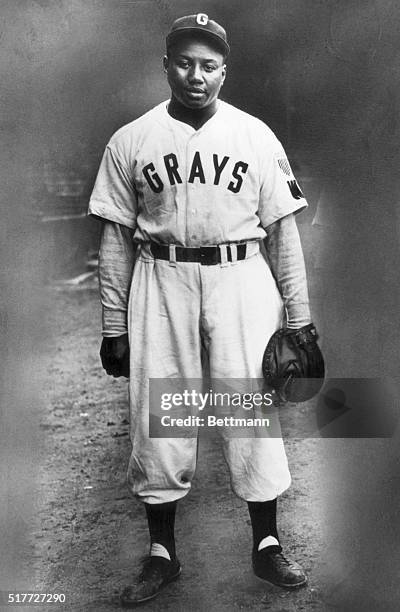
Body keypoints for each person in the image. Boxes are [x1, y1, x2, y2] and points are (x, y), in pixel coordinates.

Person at [88, 13, 316, 606]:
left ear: (224, 69)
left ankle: (267, 546)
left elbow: (283, 234)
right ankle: (162, 555)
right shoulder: (131, 139)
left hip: (242, 277)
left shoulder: (255, 135)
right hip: (160, 278)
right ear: (166, 65)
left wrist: (301, 318)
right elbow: (115, 240)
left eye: (209, 65)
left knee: (249, 408)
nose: (197, 76)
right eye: (185, 63)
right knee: (158, 413)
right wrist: (114, 325)